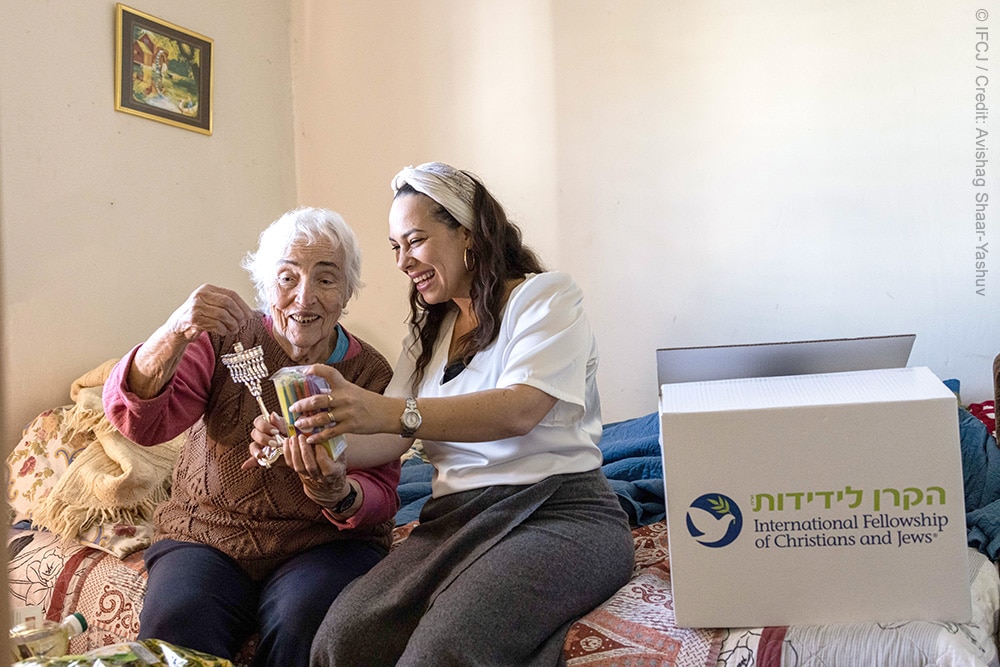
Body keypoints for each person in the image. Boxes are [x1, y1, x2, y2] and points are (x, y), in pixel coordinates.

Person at [249, 163, 636, 666]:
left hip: (556, 511)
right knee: (342, 638)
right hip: (452, 520)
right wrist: (313, 439)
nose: (403, 261)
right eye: (395, 247)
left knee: (442, 651)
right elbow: (389, 439)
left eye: (415, 241)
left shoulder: (544, 297)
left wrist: (383, 409)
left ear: (468, 235)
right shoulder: (431, 332)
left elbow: (519, 410)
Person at [102, 207, 400, 667]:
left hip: (322, 545)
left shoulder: (371, 372)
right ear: (265, 286)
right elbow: (140, 422)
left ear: (347, 292)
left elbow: (382, 491)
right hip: (207, 536)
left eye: (325, 279)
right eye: (287, 278)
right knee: (177, 622)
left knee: (306, 621)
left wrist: (339, 494)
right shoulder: (224, 342)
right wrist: (176, 329)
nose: (305, 298)